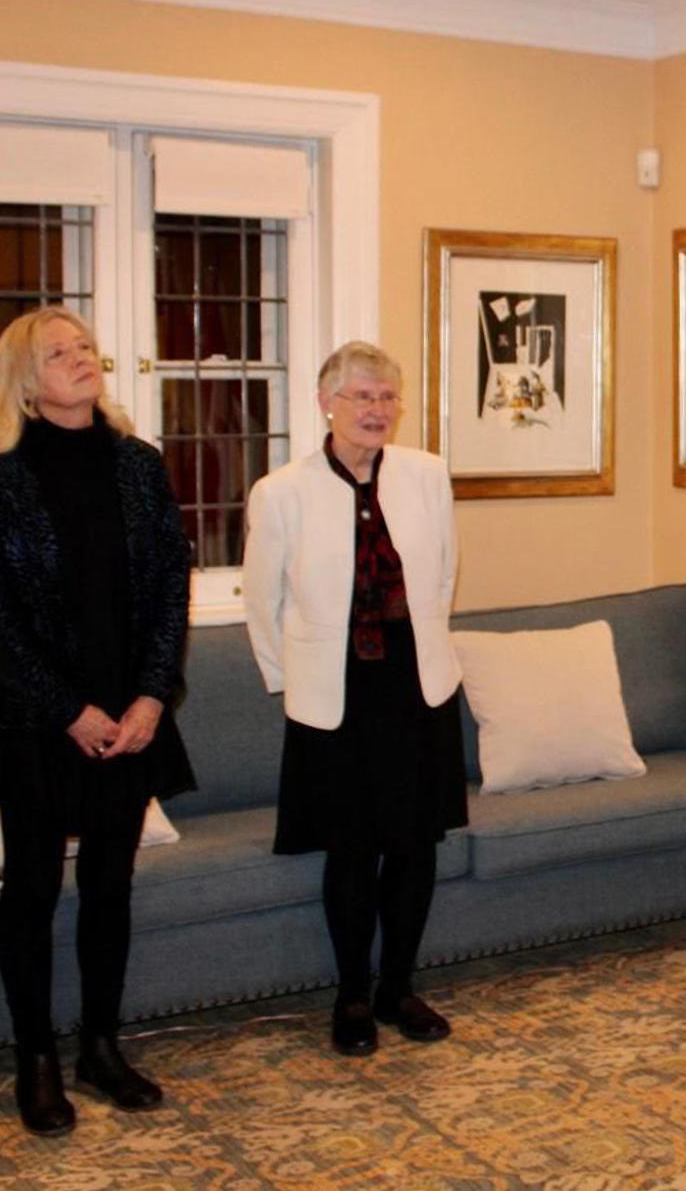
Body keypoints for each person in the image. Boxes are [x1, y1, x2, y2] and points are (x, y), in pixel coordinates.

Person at [0, 307, 195, 1135]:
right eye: (60, 354)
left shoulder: (139, 464)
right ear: (25, 383)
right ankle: (36, 1061)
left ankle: (100, 1047)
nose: (81, 360)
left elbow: (172, 587)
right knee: (30, 889)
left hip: (130, 716)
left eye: (86, 347)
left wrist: (149, 697)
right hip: (37, 720)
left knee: (109, 886)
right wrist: (70, 711)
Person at [242, 340, 466, 1057]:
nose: (375, 410)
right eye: (360, 396)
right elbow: (262, 602)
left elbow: (443, 575)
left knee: (413, 848)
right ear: (325, 404)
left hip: (418, 687)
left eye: (386, 397)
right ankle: (352, 997)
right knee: (352, 852)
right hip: (333, 699)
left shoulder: (427, 476)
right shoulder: (281, 492)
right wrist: (293, 681)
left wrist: (425, 643)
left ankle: (400, 987)